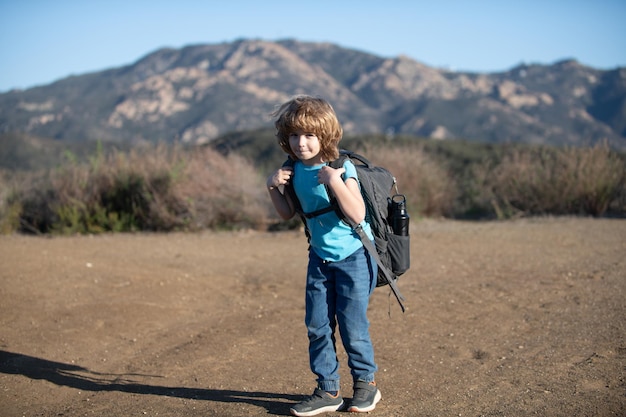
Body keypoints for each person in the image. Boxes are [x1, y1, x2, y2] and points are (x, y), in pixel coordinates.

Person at [266, 95, 382, 416]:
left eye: (309, 136)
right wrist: (272, 187)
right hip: (319, 257)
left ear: (325, 135)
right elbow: (288, 213)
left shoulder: (340, 167)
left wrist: (336, 181)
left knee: (351, 323)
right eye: (294, 135)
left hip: (355, 256)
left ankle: (366, 386)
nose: (301, 143)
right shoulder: (292, 169)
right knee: (317, 324)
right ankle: (328, 389)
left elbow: (357, 213)